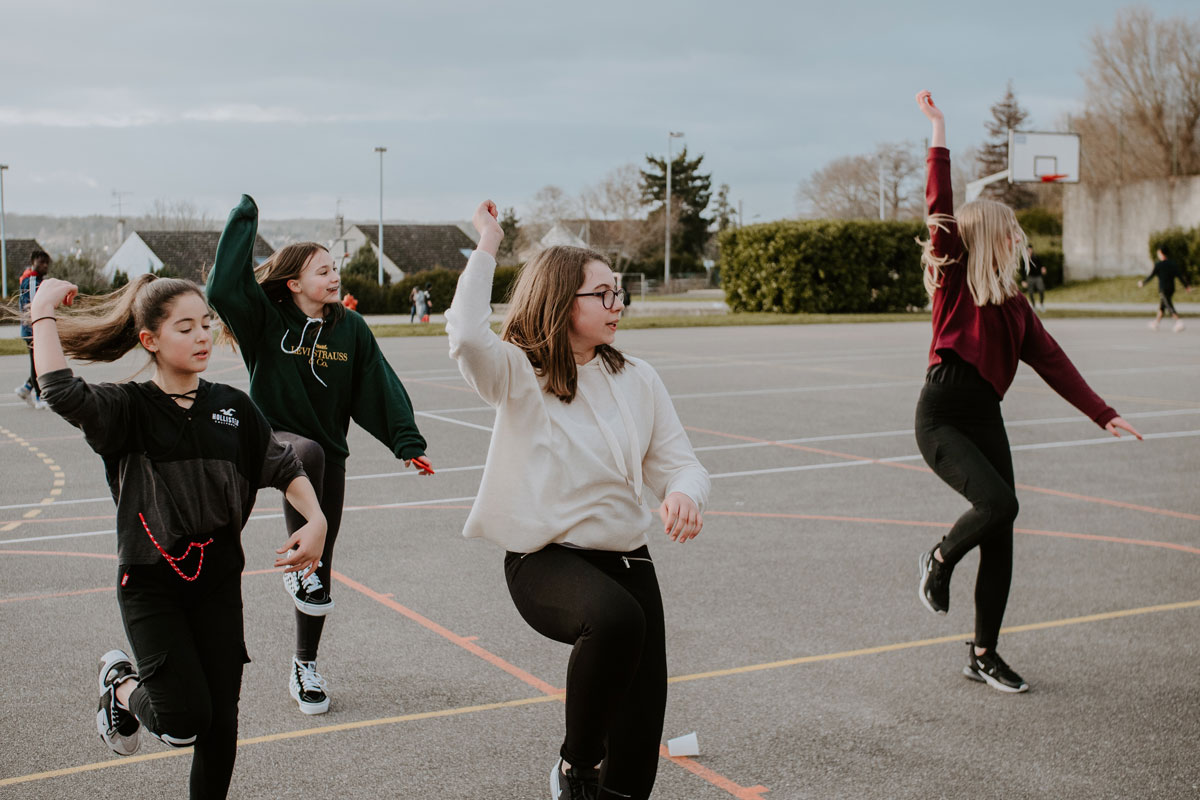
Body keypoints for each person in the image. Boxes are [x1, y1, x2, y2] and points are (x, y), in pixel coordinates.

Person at [446, 200, 710, 800]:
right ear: (563, 301)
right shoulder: (517, 374)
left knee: (640, 742)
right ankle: (576, 766)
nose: (618, 305)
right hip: (545, 559)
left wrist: (684, 495)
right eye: (604, 295)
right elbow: (464, 333)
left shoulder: (637, 377)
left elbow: (680, 464)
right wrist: (488, 241)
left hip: (627, 557)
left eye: (620, 294)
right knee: (614, 619)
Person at [29, 274, 326, 799]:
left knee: (220, 729)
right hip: (150, 584)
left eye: (206, 324)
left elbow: (283, 466)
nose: (202, 336)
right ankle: (121, 685)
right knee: (182, 722)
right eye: (185, 327)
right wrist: (44, 312)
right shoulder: (127, 410)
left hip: (216, 584)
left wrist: (316, 520)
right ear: (150, 340)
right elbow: (59, 390)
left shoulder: (233, 407)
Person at [913, 91, 1141, 693]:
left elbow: (1054, 362)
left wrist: (1103, 412)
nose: (1020, 239)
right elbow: (939, 206)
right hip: (942, 417)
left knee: (1003, 532)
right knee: (1000, 505)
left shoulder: (1015, 308)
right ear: (989, 236)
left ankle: (983, 653)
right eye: (1011, 232)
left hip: (985, 415)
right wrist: (939, 129)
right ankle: (938, 559)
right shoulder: (954, 278)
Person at [206, 195, 433, 716]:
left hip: (328, 453)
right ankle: (293, 568)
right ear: (294, 283)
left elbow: (377, 383)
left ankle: (304, 664)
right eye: (323, 271)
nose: (335, 277)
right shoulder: (264, 318)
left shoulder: (349, 329)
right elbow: (222, 287)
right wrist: (245, 218)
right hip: (268, 440)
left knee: (320, 561)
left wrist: (408, 443)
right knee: (301, 451)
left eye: (336, 269)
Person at [16, 249, 52, 409]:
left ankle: (26, 388)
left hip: (37, 329)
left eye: (47, 263)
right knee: (37, 363)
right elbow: (32, 307)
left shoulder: (38, 280)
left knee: (40, 361)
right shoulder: (31, 281)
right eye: (41, 262)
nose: (45, 266)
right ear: (33, 262)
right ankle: (39, 396)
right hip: (33, 330)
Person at [1138, 247, 1192, 332]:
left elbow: (1151, 276)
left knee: (1168, 305)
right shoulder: (1172, 264)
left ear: (1161, 253)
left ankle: (1179, 322)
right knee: (1162, 306)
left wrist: (1143, 283)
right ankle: (1156, 323)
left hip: (1163, 289)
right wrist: (1186, 286)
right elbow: (1179, 276)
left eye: (1159, 253)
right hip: (1171, 288)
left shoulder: (1159, 265)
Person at [1020, 244, 1047, 312]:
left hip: (1038, 276)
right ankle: (1033, 305)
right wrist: (1023, 280)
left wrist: (1043, 268)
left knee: (1041, 289)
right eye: (1028, 250)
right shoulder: (1024, 259)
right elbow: (1022, 270)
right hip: (1030, 277)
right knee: (1030, 292)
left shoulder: (1036, 257)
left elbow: (1041, 264)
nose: (1029, 251)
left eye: (1030, 249)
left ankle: (1041, 304)